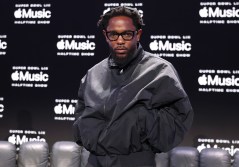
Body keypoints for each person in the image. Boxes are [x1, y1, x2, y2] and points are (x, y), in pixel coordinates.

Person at [73, 6, 193, 167]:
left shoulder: (159, 71)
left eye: (127, 34)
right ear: (106, 36)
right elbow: (80, 115)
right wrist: (90, 135)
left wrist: (137, 121)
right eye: (114, 34)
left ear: (138, 35)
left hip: (136, 161)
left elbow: (178, 119)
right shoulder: (93, 73)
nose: (120, 41)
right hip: (95, 161)